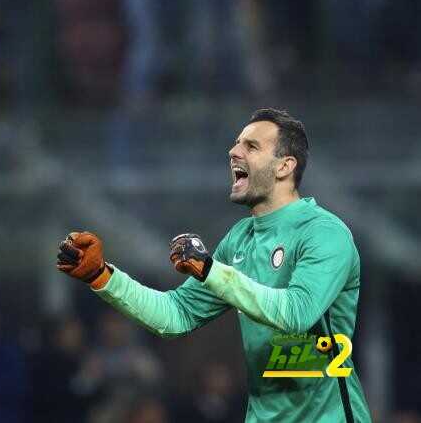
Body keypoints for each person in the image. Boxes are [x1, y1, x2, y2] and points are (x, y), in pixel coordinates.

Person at [56, 108, 371, 422]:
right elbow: (175, 315)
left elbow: (296, 313)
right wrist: (103, 277)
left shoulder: (324, 233)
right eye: (236, 143)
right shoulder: (239, 240)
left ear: (284, 166)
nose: (233, 152)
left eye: (251, 146)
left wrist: (211, 271)